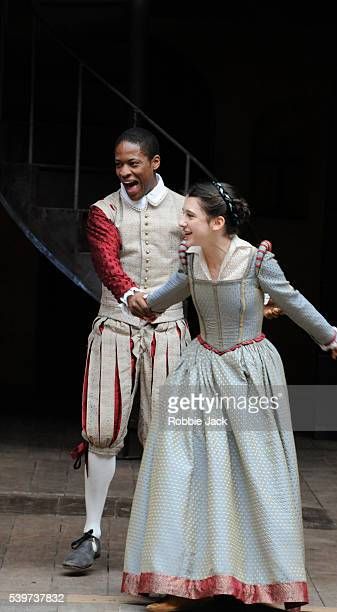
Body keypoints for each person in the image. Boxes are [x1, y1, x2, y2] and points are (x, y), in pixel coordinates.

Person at [121, 180, 337, 611]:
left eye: (190, 215)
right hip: (200, 368)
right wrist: (139, 300)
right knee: (182, 471)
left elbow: (293, 300)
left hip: (248, 372)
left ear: (217, 222)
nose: (183, 222)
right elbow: (166, 294)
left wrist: (330, 337)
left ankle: (277, 582)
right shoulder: (190, 260)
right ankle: (179, 580)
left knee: (258, 474)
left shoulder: (255, 261)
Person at [62, 127, 191, 571]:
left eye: (133, 163)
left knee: (166, 435)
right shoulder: (104, 210)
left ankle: (159, 540)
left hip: (171, 332)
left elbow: (204, 258)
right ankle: (92, 533)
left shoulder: (185, 210)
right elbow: (105, 259)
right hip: (115, 327)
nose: (124, 172)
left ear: (155, 163)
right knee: (100, 428)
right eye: (119, 164)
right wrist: (129, 291)